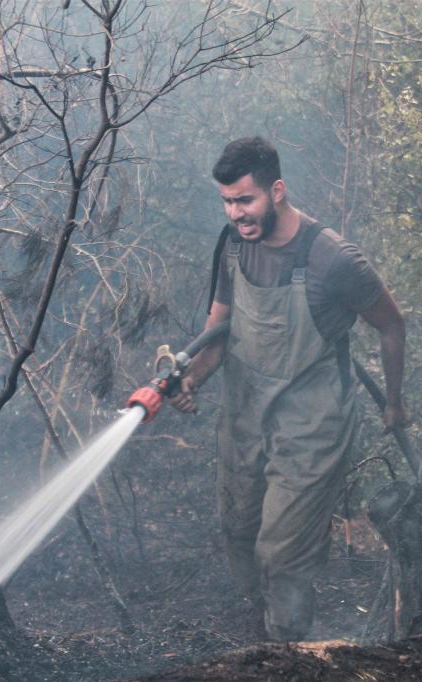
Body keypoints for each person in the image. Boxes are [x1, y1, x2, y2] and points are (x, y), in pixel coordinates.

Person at [169, 137, 409, 642]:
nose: (235, 213)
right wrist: (191, 378)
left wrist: (394, 402)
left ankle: (290, 649)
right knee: (239, 532)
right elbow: (218, 332)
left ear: (276, 190)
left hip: (311, 422)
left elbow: (391, 324)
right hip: (245, 414)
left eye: (245, 200)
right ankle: (265, 636)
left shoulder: (333, 259)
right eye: (227, 201)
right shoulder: (234, 245)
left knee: (282, 552)